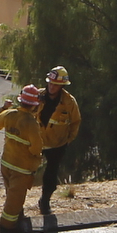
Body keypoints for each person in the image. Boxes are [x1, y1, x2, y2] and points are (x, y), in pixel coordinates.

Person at [0, 84, 48, 230]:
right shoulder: (31, 123)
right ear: (35, 105)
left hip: (6, 163)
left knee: (11, 195)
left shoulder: (10, 114)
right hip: (21, 169)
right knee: (15, 200)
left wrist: (4, 108)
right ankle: (6, 226)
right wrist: (36, 160)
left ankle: (18, 217)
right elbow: (36, 147)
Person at [33, 65, 82, 215]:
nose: (52, 87)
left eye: (55, 84)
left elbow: (75, 122)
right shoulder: (37, 96)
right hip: (37, 141)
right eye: (50, 83)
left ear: (61, 86)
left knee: (51, 175)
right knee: (26, 172)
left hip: (57, 144)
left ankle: (45, 202)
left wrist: (67, 140)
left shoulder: (69, 102)